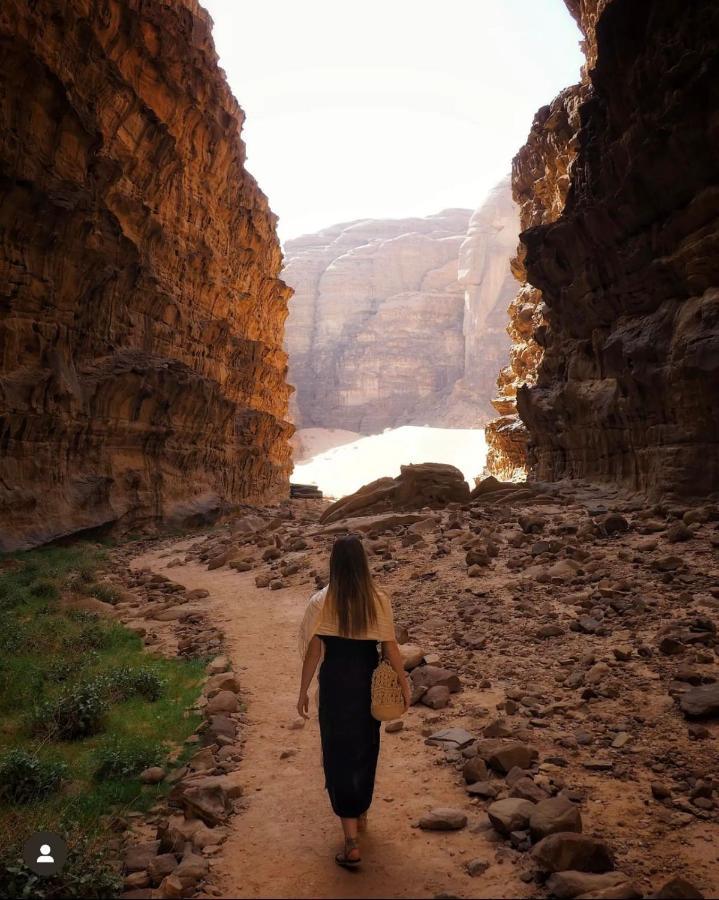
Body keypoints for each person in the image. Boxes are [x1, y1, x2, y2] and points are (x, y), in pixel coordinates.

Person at [297, 534, 411, 868]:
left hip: (335, 686)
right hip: (366, 685)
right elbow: (390, 648)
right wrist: (404, 686)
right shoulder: (378, 599)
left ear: (334, 563)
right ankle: (360, 809)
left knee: (337, 753)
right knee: (365, 748)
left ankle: (350, 843)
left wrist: (302, 690)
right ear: (362, 562)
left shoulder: (321, 601)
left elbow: (313, 651)